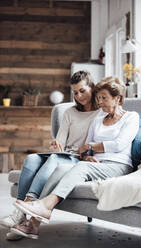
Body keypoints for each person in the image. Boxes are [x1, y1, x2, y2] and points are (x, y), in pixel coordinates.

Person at [10, 76, 139, 239]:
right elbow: (84, 148)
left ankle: (43, 206)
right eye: (98, 98)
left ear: (118, 98)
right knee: (61, 169)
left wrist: (91, 147)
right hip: (97, 165)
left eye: (104, 98)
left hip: (118, 165)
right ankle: (33, 226)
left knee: (81, 167)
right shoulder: (98, 120)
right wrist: (86, 156)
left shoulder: (131, 117)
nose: (100, 102)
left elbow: (119, 144)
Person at [0, 70, 100, 240]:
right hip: (64, 154)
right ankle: (20, 215)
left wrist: (86, 154)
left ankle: (26, 213)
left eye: (82, 91)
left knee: (54, 159)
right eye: (75, 92)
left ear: (92, 87)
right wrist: (56, 144)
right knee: (32, 158)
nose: (79, 96)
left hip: (78, 159)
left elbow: (99, 141)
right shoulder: (69, 112)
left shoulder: (100, 113)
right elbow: (60, 140)